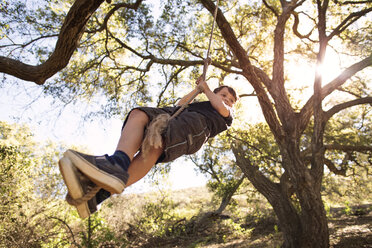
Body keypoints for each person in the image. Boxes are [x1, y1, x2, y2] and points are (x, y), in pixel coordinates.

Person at [59, 77, 238, 218]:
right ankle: (115, 166)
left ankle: (104, 187)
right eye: (224, 95)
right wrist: (199, 89)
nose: (227, 100)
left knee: (155, 146)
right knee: (139, 114)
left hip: (196, 125)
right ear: (215, 93)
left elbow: (222, 109)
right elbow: (180, 104)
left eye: (231, 100)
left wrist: (207, 90)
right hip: (176, 114)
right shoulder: (203, 101)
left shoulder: (226, 115)